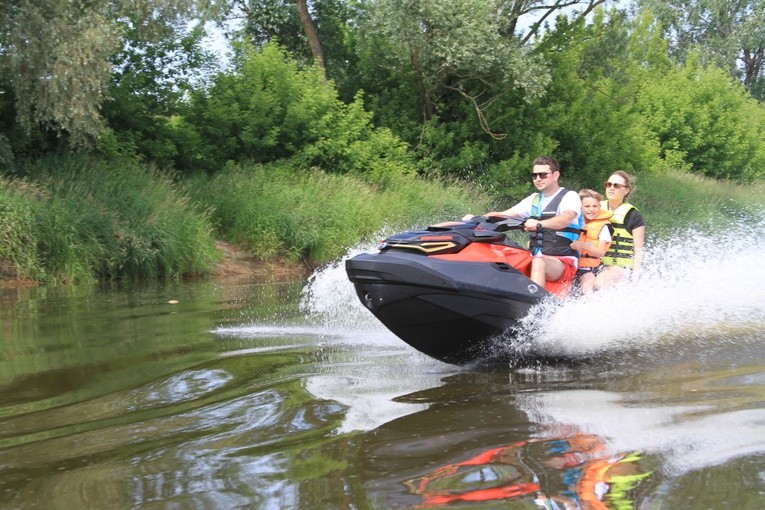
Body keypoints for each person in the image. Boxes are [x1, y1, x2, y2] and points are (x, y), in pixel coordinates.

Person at [472, 156, 582, 289]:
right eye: (534, 175)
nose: (538, 179)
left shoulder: (570, 196)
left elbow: (566, 218)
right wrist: (476, 219)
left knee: (538, 262)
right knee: (503, 255)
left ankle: (536, 305)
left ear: (555, 175)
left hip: (564, 262)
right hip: (535, 255)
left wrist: (539, 224)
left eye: (543, 175)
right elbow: (504, 214)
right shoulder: (534, 199)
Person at [594, 170, 645, 290]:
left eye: (616, 186)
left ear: (626, 190)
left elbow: (638, 250)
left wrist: (635, 279)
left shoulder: (633, 215)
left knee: (600, 282)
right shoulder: (595, 208)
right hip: (595, 263)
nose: (611, 188)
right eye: (608, 184)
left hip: (621, 267)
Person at [570, 189, 613, 295]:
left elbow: (601, 252)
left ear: (599, 207)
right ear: (580, 207)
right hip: (571, 264)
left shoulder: (603, 226)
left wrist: (582, 245)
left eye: (595, 206)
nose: (591, 210)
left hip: (589, 267)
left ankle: (590, 304)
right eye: (587, 206)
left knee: (588, 282)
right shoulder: (571, 222)